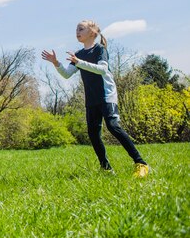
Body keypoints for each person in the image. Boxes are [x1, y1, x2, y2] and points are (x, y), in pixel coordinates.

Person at [41, 20, 149, 178]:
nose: (77, 32)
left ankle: (141, 164)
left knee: (113, 126)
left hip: (106, 95)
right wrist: (56, 62)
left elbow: (102, 69)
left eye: (81, 29)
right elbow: (66, 74)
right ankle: (106, 169)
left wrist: (79, 62)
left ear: (92, 32)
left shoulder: (100, 49)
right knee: (93, 133)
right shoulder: (78, 55)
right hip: (91, 99)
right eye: (76, 29)